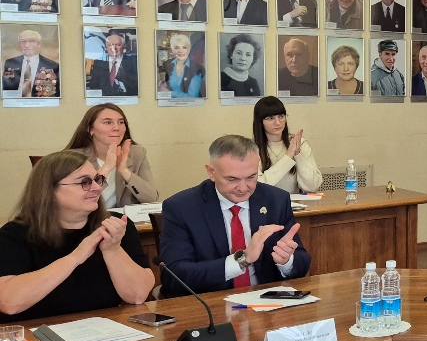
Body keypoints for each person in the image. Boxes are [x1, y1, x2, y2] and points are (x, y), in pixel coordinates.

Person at [0, 150, 154, 322]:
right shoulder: (15, 234)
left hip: (101, 330)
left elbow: (138, 296)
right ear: (49, 190)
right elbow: (9, 303)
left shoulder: (116, 226)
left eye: (97, 179)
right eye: (84, 182)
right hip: (35, 333)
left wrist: (113, 250)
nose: (97, 188)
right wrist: (75, 257)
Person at [157, 135, 311, 298]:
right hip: (212, 303)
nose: (243, 188)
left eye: (251, 177)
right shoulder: (182, 208)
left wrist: (286, 261)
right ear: (211, 172)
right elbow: (174, 277)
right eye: (232, 179)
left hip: (268, 301)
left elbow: (302, 263)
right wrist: (242, 259)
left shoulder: (276, 200)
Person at [64, 104, 159, 208]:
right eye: (108, 122)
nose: (116, 128)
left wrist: (124, 171)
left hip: (124, 217)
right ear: (90, 129)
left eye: (121, 122)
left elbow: (152, 198)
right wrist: (106, 168)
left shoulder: (137, 153)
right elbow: (74, 202)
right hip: (90, 217)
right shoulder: (73, 158)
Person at [252, 97, 322, 194]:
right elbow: (258, 187)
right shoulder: (251, 149)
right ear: (260, 121)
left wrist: (298, 154)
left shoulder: (299, 143)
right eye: (271, 118)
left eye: (281, 116)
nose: (278, 122)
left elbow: (312, 186)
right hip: (265, 202)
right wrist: (288, 156)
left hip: (294, 202)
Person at [3, 29, 60, 98]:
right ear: (19, 44)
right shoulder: (10, 63)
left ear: (39, 43)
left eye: (31, 41)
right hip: (14, 101)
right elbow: (5, 88)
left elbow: (54, 93)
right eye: (23, 41)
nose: (26, 45)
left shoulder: (52, 66)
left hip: (40, 102)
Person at [86, 31, 138, 97]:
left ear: (123, 46)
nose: (114, 48)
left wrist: (122, 76)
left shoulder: (133, 61)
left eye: (118, 45)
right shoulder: (99, 63)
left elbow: (138, 84)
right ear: (106, 47)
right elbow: (94, 87)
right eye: (110, 45)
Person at [158, 32, 204, 98]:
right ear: (172, 50)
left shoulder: (197, 69)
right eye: (177, 47)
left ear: (189, 50)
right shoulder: (168, 64)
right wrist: (164, 84)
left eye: (184, 47)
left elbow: (192, 97)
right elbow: (170, 84)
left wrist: (168, 93)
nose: (180, 51)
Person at [220, 34, 262, 98]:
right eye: (239, 53)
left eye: (248, 55)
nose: (243, 58)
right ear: (231, 55)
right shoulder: (220, 78)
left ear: (253, 58)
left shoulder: (253, 82)